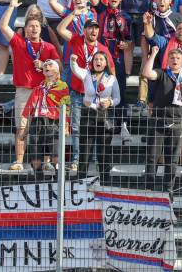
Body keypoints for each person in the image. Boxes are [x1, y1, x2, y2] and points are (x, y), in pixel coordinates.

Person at [0, 0, 59, 171]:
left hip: (43, 92)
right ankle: (19, 161)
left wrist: (46, 64)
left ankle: (47, 162)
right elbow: (3, 26)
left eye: (36, 26)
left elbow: (59, 68)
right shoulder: (18, 43)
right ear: (25, 29)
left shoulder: (48, 48)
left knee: (45, 129)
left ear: (41, 29)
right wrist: (11, 6)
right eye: (30, 26)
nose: (34, 29)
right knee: (22, 127)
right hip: (24, 91)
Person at [141, 46, 182, 193]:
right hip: (158, 121)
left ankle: (168, 191)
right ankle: (149, 190)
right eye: (172, 58)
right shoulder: (161, 73)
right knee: (152, 158)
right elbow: (146, 73)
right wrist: (154, 54)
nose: (175, 60)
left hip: (177, 124)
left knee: (172, 160)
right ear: (167, 61)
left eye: (178, 58)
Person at [56, 17, 115, 172]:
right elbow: (60, 29)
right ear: (84, 30)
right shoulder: (77, 40)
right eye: (90, 27)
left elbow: (112, 72)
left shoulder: (103, 49)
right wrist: (74, 13)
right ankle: (77, 160)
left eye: (96, 28)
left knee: (96, 128)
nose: (93, 30)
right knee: (76, 128)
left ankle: (95, 160)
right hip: (77, 93)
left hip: (96, 96)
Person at [70, 51, 120, 183]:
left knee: (104, 154)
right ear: (92, 62)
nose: (98, 61)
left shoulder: (111, 78)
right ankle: (80, 183)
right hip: (88, 116)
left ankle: (105, 183)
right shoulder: (87, 74)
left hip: (105, 116)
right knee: (85, 153)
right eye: (96, 59)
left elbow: (117, 98)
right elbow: (75, 70)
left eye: (101, 59)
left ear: (106, 62)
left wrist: (110, 102)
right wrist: (73, 60)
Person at [20, 59, 70, 176]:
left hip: (53, 123)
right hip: (37, 123)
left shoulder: (63, 86)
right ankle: (38, 180)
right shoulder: (38, 88)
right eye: (45, 65)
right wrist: (25, 130)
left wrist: (66, 126)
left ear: (57, 71)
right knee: (35, 158)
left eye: (50, 64)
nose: (47, 66)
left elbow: (66, 108)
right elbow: (29, 111)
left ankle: (59, 181)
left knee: (56, 157)